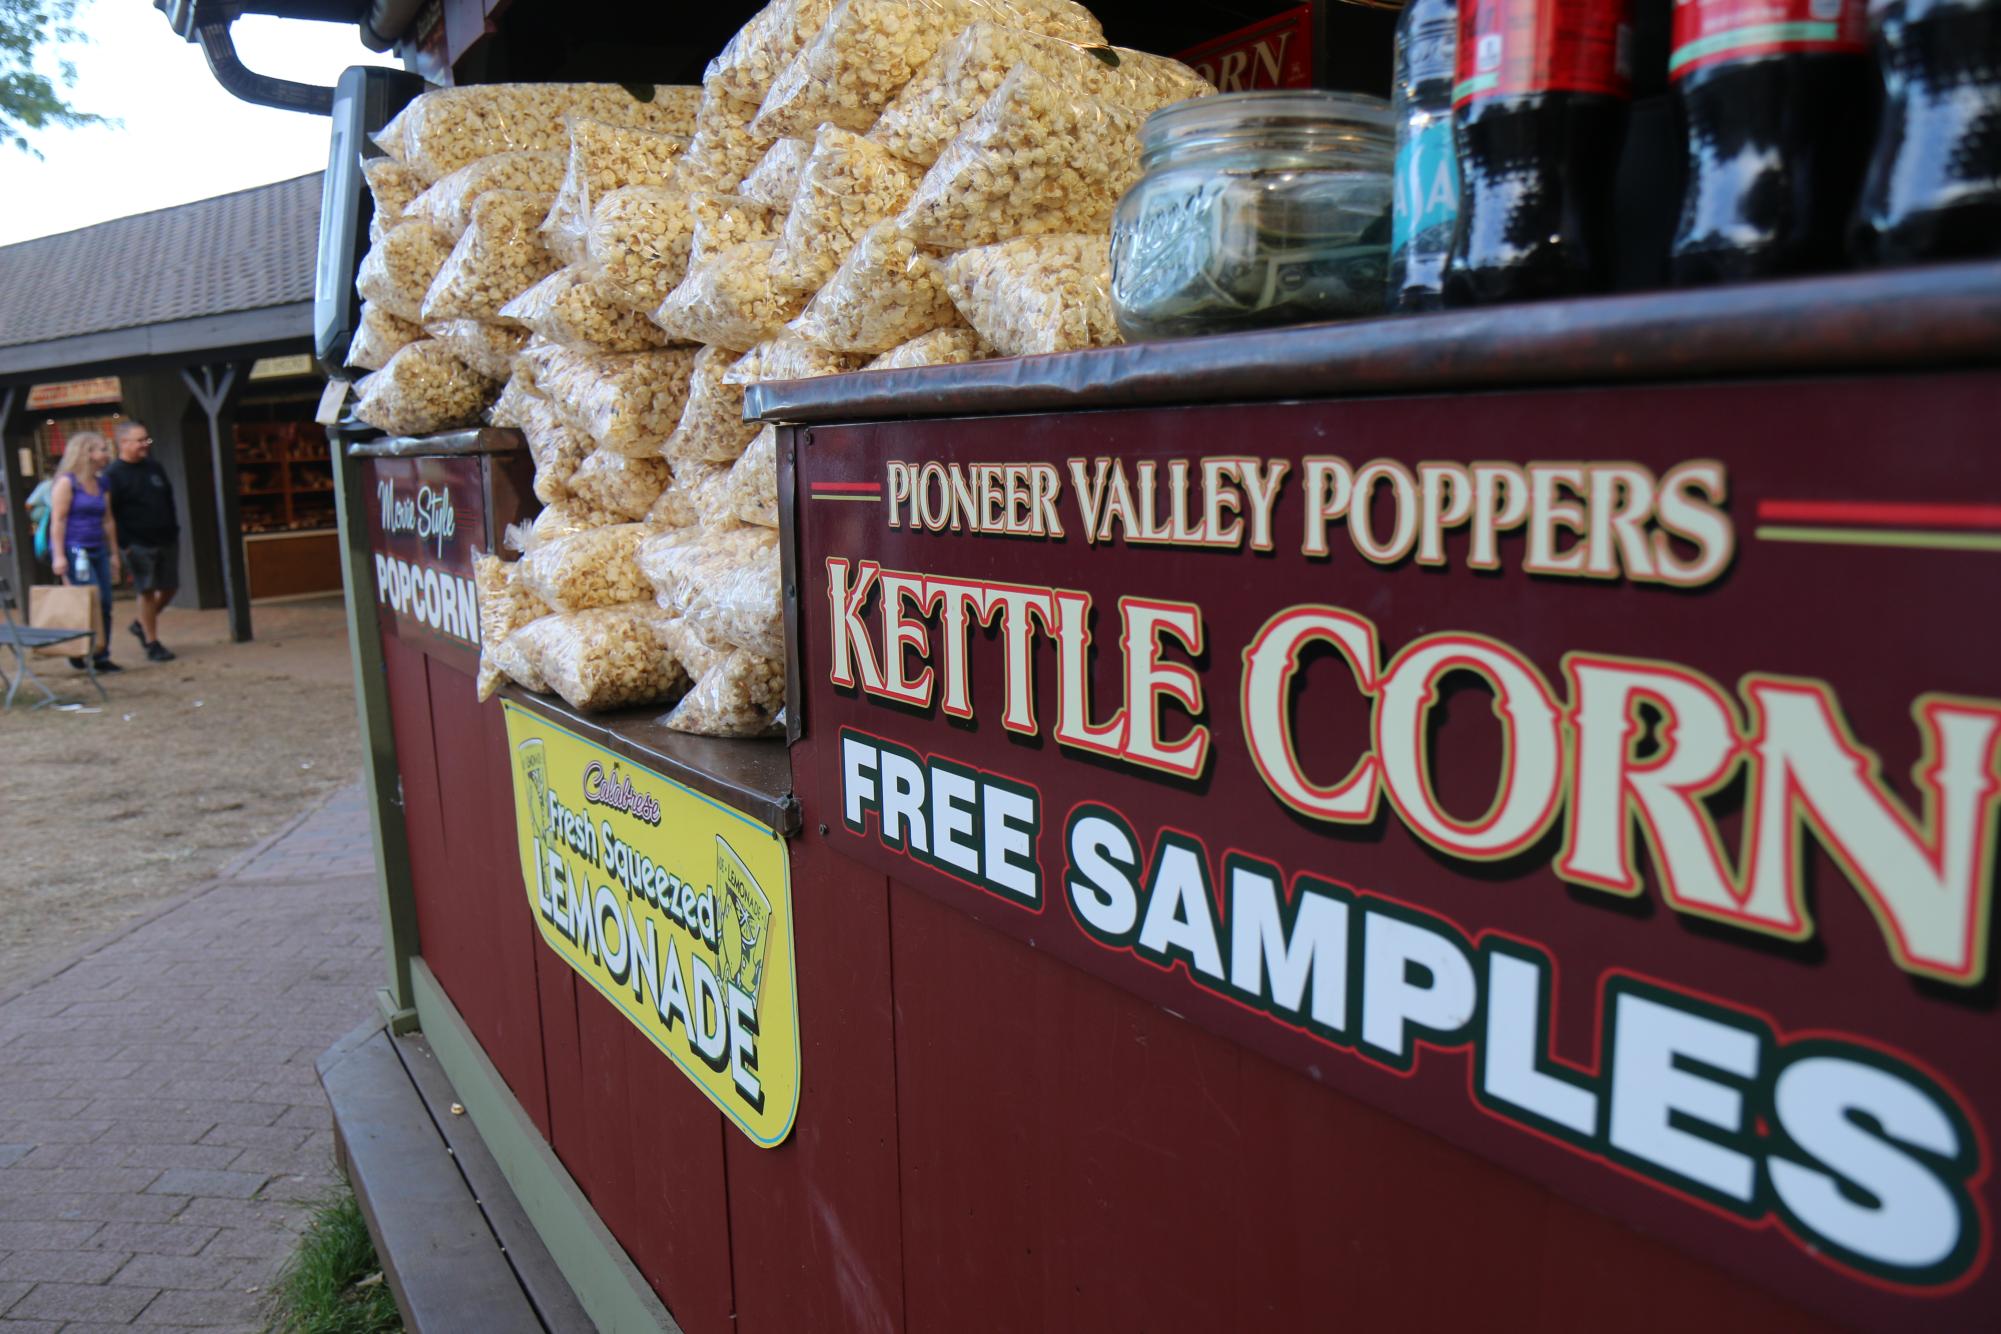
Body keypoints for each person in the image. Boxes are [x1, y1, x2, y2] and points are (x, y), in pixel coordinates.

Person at [103, 419, 180, 662]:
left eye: (146, 439)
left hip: (166, 537)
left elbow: (168, 498)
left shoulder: (154, 467)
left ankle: (140, 624)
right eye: (139, 441)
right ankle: (152, 642)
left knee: (170, 588)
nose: (145, 445)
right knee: (146, 590)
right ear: (123, 443)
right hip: (137, 542)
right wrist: (121, 545)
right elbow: (109, 515)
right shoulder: (113, 475)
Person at [46, 431, 123, 673]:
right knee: (87, 600)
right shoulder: (67, 483)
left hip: (97, 546)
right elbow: (58, 520)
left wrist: (113, 553)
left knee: (106, 601)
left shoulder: (102, 483)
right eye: (101, 448)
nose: (106, 453)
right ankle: (80, 649)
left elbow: (108, 519)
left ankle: (101, 652)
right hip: (74, 549)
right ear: (86, 453)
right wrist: (58, 556)